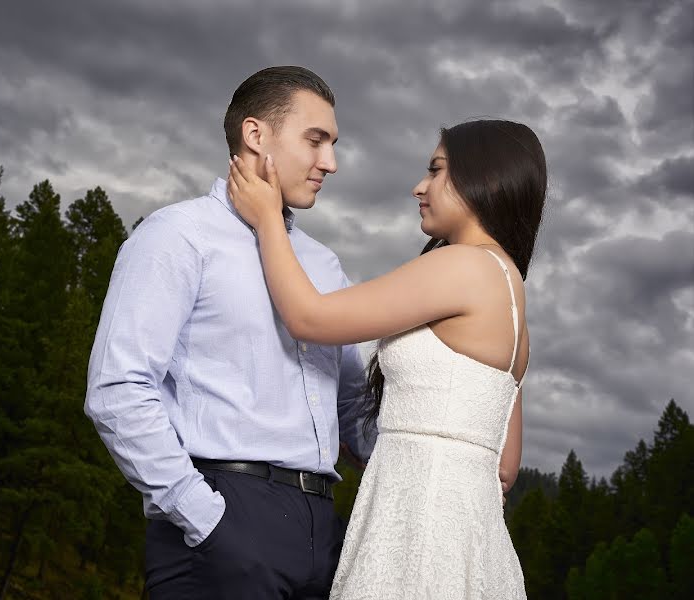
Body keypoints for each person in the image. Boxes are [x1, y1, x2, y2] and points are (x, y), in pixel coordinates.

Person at [84, 66, 378, 599]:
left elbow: (353, 408)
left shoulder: (325, 265)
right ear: (255, 134)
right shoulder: (177, 236)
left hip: (325, 536)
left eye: (333, 145)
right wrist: (206, 519)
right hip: (224, 517)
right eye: (316, 141)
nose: (330, 163)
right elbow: (118, 390)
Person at [226, 118, 546, 599]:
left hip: (417, 526)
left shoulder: (463, 265)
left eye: (436, 170)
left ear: (488, 180)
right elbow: (505, 466)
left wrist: (268, 218)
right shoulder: (512, 293)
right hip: (471, 541)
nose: (420, 186)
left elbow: (310, 318)